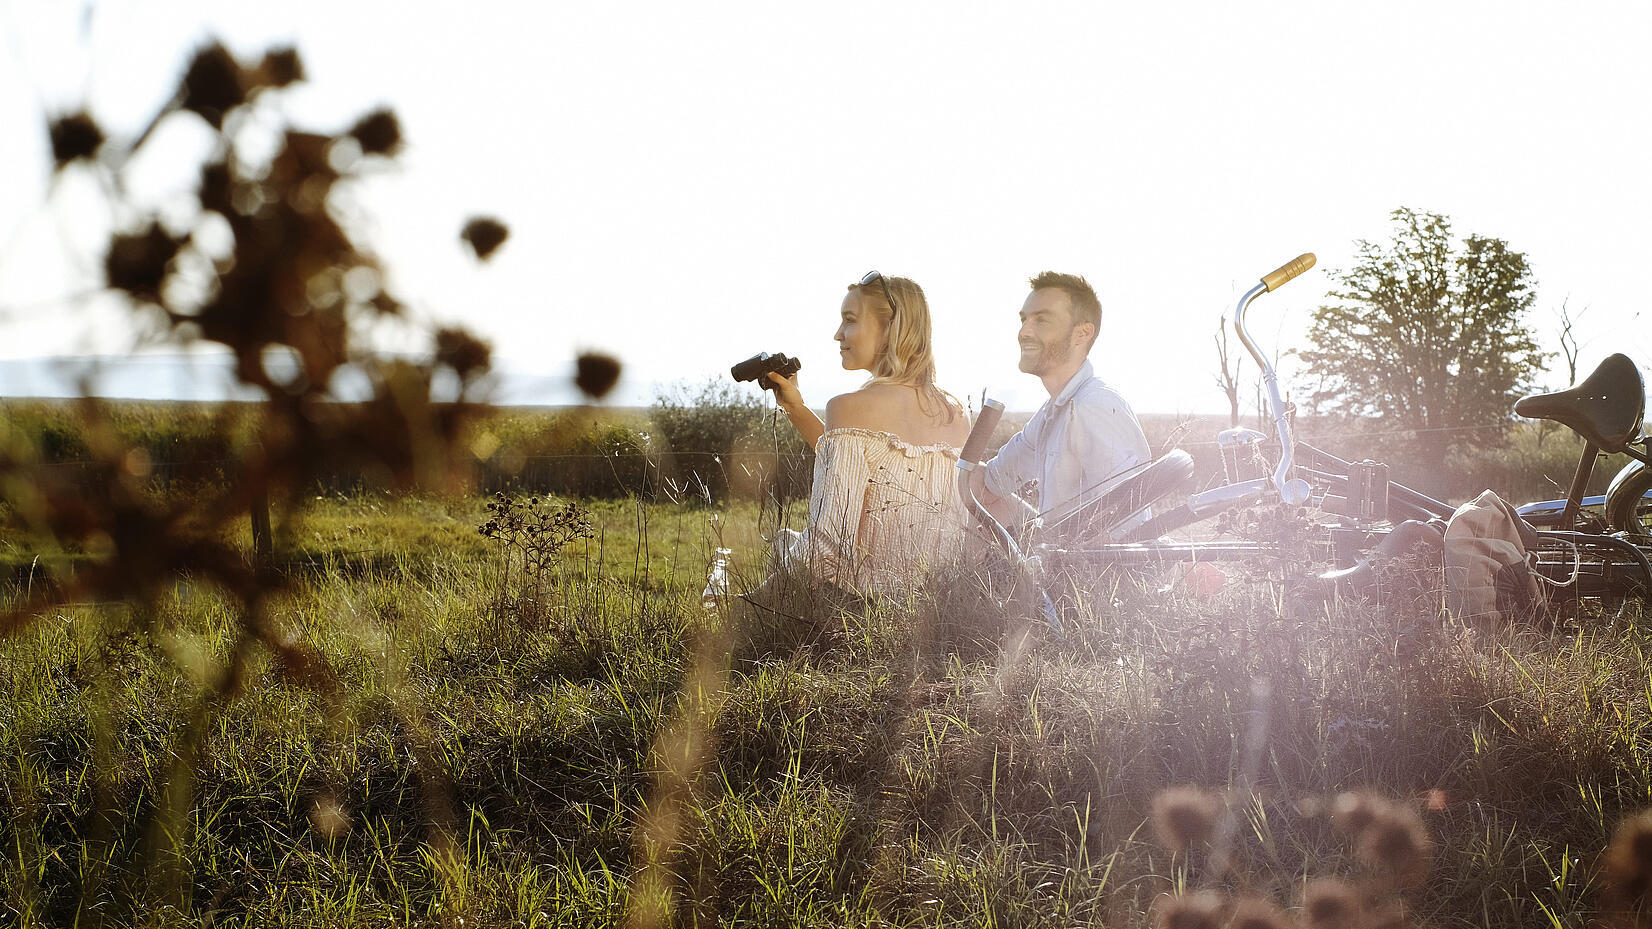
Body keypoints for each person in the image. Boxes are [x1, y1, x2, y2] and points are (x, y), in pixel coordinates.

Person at [758, 271, 973, 597]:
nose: (837, 334)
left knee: (784, 545)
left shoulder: (849, 406)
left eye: (849, 320)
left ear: (890, 329)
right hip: (933, 603)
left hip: (859, 608)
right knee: (786, 541)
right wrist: (797, 410)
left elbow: (822, 547)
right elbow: (879, 472)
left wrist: (742, 609)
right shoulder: (955, 413)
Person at [969, 271, 1152, 541]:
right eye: (1024, 320)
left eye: (1041, 320)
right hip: (1056, 561)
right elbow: (991, 482)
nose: (1023, 332)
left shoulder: (1095, 405)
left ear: (1082, 333)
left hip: (1092, 575)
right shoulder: (1051, 412)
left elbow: (1127, 525)